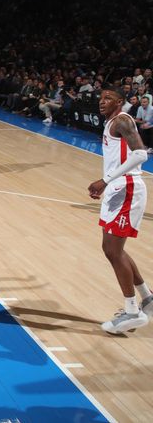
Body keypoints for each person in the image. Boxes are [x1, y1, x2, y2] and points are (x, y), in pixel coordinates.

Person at [88, 87, 152, 334]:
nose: (102, 102)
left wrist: (104, 180)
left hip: (127, 188)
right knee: (114, 250)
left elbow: (140, 154)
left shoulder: (122, 120)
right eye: (101, 98)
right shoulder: (112, 122)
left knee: (113, 251)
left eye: (108, 99)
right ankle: (147, 299)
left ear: (120, 102)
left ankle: (132, 312)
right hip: (118, 188)